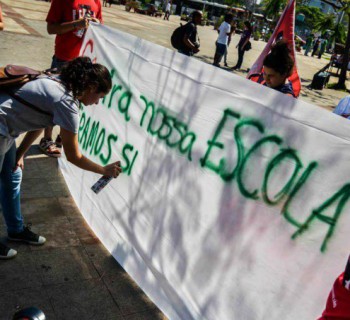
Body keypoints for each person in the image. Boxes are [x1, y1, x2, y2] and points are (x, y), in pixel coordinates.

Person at [0, 57, 122, 259]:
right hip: (2, 125)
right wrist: (104, 170)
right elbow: (73, 156)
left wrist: (20, 154)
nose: (97, 102)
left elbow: (38, 120)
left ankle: (15, 230)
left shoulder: (61, 80)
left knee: (12, 176)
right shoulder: (67, 103)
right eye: (99, 96)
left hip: (8, 129)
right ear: (90, 86)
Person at [43, 0, 103, 158]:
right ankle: (46, 139)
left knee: (74, 103)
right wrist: (76, 24)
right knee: (52, 102)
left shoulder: (97, 2)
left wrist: (97, 25)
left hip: (84, 63)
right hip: (63, 59)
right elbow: (51, 28)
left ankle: (62, 139)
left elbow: (101, 30)